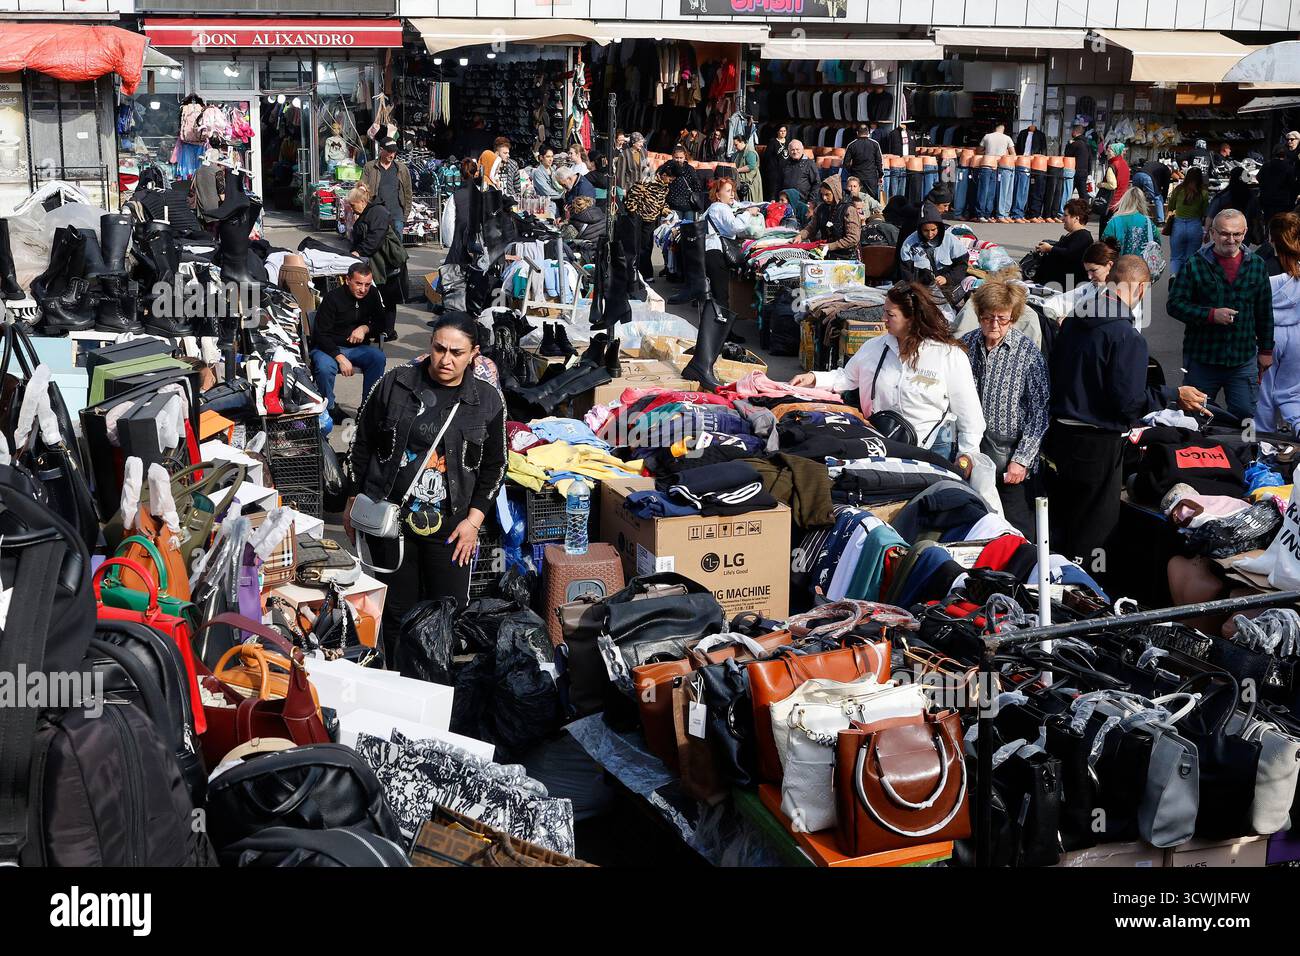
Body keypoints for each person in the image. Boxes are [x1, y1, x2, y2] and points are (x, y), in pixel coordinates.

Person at [347, 312, 507, 658]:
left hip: (451, 532)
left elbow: (496, 466)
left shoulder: (487, 401)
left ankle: (436, 693)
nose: (446, 359)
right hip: (390, 524)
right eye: (439, 348)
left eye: (457, 352)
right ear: (430, 344)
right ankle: (399, 686)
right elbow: (361, 442)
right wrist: (353, 499)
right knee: (395, 613)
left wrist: (473, 522)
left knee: (445, 616)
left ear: (473, 354)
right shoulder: (396, 383)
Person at [1045, 256, 1206, 568]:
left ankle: (1056, 584)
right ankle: (1085, 596)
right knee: (1094, 531)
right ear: (1142, 289)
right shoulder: (1125, 335)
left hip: (1061, 437)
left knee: (1064, 519)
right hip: (1098, 444)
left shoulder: (1076, 317)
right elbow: (1129, 403)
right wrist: (1173, 394)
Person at [790, 281, 984, 459]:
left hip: (930, 450)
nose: (883, 319)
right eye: (884, 312)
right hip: (879, 444)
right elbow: (846, 378)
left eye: (890, 314)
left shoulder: (948, 356)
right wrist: (812, 378)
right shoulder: (874, 347)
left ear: (912, 318)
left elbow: (969, 416)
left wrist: (968, 454)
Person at [960, 280, 1050, 535]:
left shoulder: (1028, 353)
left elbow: (1039, 413)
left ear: (1013, 317)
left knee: (1016, 527)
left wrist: (1021, 461)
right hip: (974, 449)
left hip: (1010, 455)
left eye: (1002, 319)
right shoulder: (967, 344)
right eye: (988, 318)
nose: (995, 325)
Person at [1168, 209, 1275, 422]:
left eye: (1237, 234)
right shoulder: (1195, 263)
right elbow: (1175, 305)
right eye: (1225, 233)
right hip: (1203, 359)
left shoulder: (1256, 265)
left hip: (1242, 359)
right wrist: (1210, 315)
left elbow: (1264, 311)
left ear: (1245, 233)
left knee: (1246, 419)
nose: (1231, 239)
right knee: (1194, 418)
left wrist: (1266, 350)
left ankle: (1246, 455)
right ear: (1212, 233)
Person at [309, 262, 388, 419]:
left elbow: (382, 323)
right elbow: (321, 333)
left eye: (367, 284)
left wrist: (365, 328)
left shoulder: (372, 294)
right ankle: (329, 409)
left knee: (378, 357)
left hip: (357, 348)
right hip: (328, 348)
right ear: (347, 280)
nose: (363, 289)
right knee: (325, 368)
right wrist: (339, 357)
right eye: (359, 284)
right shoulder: (333, 298)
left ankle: (367, 409)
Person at [1040, 238, 1149, 329]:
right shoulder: (1092, 286)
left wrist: (1069, 321)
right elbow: (1060, 301)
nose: (1089, 276)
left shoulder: (1125, 295)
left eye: (1094, 270)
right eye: (1087, 271)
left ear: (1110, 265)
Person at [346, 184, 406, 342]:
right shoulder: (368, 212)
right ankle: (379, 328)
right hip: (376, 262)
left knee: (387, 296)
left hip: (386, 263)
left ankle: (388, 330)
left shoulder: (378, 212)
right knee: (379, 295)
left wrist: (359, 252)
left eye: (353, 205)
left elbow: (375, 237)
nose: (352, 209)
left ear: (362, 201)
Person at [1258, 213, 1300, 433]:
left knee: (1262, 394)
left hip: (1267, 336)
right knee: (1292, 393)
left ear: (1271, 237)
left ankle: (1264, 444)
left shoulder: (1261, 267)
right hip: (1297, 335)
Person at [700, 177, 763, 316]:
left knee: (718, 293)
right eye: (728, 191)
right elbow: (735, 226)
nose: (732, 194)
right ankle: (723, 331)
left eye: (732, 191)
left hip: (711, 251)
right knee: (721, 294)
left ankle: (721, 328)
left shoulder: (713, 208)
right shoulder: (720, 207)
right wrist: (748, 213)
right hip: (716, 253)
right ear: (717, 195)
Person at [438, 158, 481, 312]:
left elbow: (448, 225)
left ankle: (454, 308)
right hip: (478, 245)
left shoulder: (455, 196)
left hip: (459, 243)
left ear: (461, 175)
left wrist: (451, 243)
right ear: (476, 174)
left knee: (454, 277)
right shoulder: (482, 195)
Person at [899, 203, 969, 290]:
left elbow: (962, 265)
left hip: (946, 287)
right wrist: (916, 288)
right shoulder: (909, 244)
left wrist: (947, 278)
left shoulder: (950, 240)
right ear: (920, 228)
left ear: (938, 227)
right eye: (925, 230)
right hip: (920, 289)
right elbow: (907, 272)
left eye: (933, 230)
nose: (930, 234)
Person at [623, 162, 673, 282]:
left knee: (647, 246)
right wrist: (634, 213)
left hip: (651, 219)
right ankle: (638, 273)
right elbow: (632, 198)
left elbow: (660, 202)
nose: (671, 181)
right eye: (670, 178)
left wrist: (664, 210)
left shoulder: (664, 187)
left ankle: (644, 273)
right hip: (639, 218)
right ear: (664, 175)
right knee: (638, 247)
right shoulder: (647, 181)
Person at [794, 177, 861, 261]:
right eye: (822, 194)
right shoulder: (820, 209)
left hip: (847, 257)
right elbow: (811, 228)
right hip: (826, 255)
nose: (824, 198)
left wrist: (831, 246)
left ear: (835, 192)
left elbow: (853, 238)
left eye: (827, 194)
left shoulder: (849, 210)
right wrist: (801, 236)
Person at [1034, 198, 1094, 290]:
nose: (1062, 219)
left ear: (1076, 218)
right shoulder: (1073, 233)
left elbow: (1070, 254)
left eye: (1065, 215)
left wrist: (1050, 248)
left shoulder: (1083, 236)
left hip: (1067, 285)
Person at [361, 140, 412, 239]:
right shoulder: (370, 167)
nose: (392, 155)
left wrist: (405, 215)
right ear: (381, 150)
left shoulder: (402, 169)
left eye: (394, 152)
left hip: (396, 214)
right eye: (389, 151)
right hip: (377, 213)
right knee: (377, 242)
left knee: (397, 245)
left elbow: (408, 192)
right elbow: (362, 189)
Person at [1167, 166, 1209, 278]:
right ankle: (1186, 282)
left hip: (1178, 225)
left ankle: (1174, 277)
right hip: (1195, 225)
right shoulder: (1203, 192)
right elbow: (1205, 212)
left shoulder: (1179, 189)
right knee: (1190, 258)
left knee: (1176, 257)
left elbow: (1171, 206)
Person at [1208, 166, 1265, 246]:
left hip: (1223, 233)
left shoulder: (1222, 196)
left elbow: (1210, 216)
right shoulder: (1251, 197)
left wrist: (1206, 232)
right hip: (1243, 234)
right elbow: (1255, 217)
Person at [1101, 186, 1157, 258]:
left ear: (1124, 201)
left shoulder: (1114, 221)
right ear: (1142, 202)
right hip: (1143, 266)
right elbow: (1157, 243)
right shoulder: (1148, 222)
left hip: (1119, 266)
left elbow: (1104, 246)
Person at [1258, 146, 1299, 224]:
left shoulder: (1266, 165)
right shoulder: (1289, 167)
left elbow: (1258, 178)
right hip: (1282, 202)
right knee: (1281, 224)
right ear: (1285, 155)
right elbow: (1292, 184)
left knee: (1268, 223)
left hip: (1267, 200)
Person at [843, 123, 884, 200]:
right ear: (868, 133)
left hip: (856, 176)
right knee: (871, 200)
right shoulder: (875, 144)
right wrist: (880, 175)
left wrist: (852, 171)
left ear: (857, 133)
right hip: (871, 177)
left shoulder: (851, 145)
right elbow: (879, 161)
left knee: (855, 199)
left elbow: (846, 163)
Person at [1101, 142, 1131, 223]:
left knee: (1106, 228)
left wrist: (1101, 184)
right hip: (1121, 202)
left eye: (1109, 151)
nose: (1107, 153)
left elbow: (1112, 185)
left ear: (1116, 152)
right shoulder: (1124, 164)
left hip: (1111, 202)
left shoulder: (1113, 165)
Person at [1063, 126, 1093, 200]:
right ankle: (1085, 209)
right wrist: (1089, 172)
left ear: (1075, 132)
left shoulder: (1074, 143)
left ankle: (1064, 209)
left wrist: (1069, 144)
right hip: (1084, 172)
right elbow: (1090, 159)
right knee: (1083, 194)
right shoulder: (1087, 144)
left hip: (1073, 172)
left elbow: (1067, 155)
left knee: (1067, 193)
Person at [731, 133, 763, 202]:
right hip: (742, 182)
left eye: (736, 145)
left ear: (742, 142)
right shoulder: (738, 153)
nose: (735, 147)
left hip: (751, 182)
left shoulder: (750, 151)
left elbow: (751, 166)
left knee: (751, 201)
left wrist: (737, 170)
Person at [1138, 157, 1172, 221]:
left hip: (1137, 175)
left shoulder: (1157, 166)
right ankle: (1160, 220)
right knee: (1158, 197)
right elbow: (1166, 187)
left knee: (1136, 197)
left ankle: (1137, 217)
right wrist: (1163, 199)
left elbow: (1156, 184)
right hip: (1147, 176)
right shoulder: (1167, 171)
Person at [531, 147, 563, 215]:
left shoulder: (553, 170)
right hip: (546, 205)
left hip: (558, 203)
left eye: (552, 156)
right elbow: (547, 192)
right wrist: (563, 195)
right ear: (541, 157)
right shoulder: (538, 172)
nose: (551, 159)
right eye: (548, 157)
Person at [762, 126, 789, 201]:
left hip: (785, 170)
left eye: (784, 131)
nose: (783, 132)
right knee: (773, 191)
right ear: (777, 132)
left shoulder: (788, 142)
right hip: (774, 171)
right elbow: (767, 157)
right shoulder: (773, 142)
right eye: (781, 131)